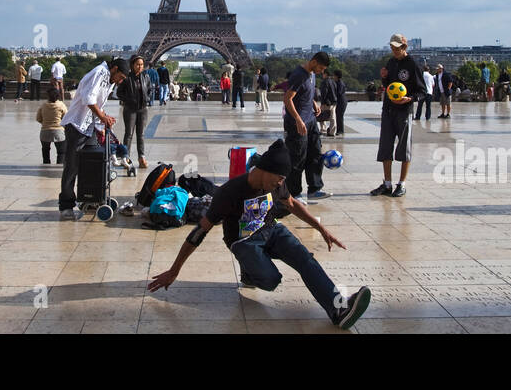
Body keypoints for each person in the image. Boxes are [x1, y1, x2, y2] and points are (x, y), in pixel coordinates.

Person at [148, 139, 372, 329]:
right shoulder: (229, 192)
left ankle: (338, 310)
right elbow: (200, 231)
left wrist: (321, 228)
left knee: (305, 259)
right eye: (279, 178)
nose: (281, 183)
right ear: (265, 171)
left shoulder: (276, 183)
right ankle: (249, 272)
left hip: (271, 229)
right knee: (271, 280)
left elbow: (292, 204)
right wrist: (174, 270)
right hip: (243, 241)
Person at [57, 58, 129, 219]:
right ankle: (66, 205)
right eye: (121, 77)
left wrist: (102, 123)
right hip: (76, 125)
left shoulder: (109, 79)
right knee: (72, 167)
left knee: (92, 164)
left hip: (89, 127)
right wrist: (102, 118)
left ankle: (90, 198)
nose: (121, 81)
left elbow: (98, 105)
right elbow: (88, 99)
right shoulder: (99, 73)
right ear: (114, 69)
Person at [371, 34, 422, 197]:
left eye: (397, 48)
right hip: (388, 110)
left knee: (404, 147)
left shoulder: (413, 64)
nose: (394, 51)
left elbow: (423, 91)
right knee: (385, 146)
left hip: (404, 111)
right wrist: (384, 78)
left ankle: (402, 183)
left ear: (404, 47)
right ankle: (387, 183)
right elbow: (388, 85)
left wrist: (410, 99)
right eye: (392, 48)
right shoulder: (391, 62)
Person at [281, 52, 331, 202]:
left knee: (315, 154)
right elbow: (287, 99)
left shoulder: (311, 73)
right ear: (314, 62)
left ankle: (314, 188)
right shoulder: (299, 75)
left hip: (310, 120)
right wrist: (297, 120)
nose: (321, 71)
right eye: (321, 68)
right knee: (297, 158)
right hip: (298, 123)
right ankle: (294, 193)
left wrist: (314, 103)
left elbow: (306, 93)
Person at [117, 56, 150, 169]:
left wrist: (147, 99)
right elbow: (119, 92)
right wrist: (128, 100)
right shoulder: (126, 78)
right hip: (130, 109)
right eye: (137, 64)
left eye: (141, 64)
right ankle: (126, 157)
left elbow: (149, 90)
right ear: (132, 65)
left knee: (141, 135)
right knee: (129, 134)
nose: (140, 66)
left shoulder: (146, 76)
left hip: (143, 109)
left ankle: (141, 157)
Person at [36, 85, 67, 164]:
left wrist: (45, 123)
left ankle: (46, 166)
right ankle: (58, 167)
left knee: (45, 151)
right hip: (59, 132)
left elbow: (38, 118)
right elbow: (66, 119)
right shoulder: (61, 105)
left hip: (45, 131)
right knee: (61, 152)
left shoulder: (43, 106)